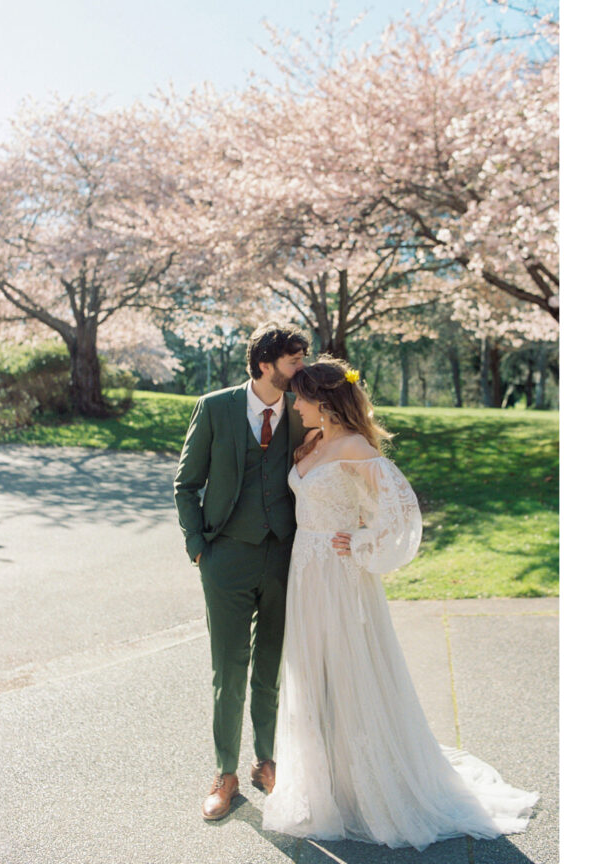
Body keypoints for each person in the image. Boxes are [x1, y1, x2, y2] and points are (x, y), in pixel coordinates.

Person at [261, 356, 537, 850]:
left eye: (301, 397)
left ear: (322, 402)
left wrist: (362, 539)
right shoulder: (314, 441)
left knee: (348, 671)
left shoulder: (356, 449)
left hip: (338, 576)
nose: (294, 404)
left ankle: (364, 790)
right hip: (306, 572)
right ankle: (329, 785)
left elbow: (401, 511)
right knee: (313, 673)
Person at [174, 322, 310, 819]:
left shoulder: (301, 407)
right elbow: (186, 484)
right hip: (225, 556)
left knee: (270, 666)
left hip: (283, 555)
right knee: (228, 669)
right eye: (293, 361)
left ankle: (266, 761)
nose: (301, 369)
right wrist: (196, 545)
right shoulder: (215, 407)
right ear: (263, 364)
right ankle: (225, 773)